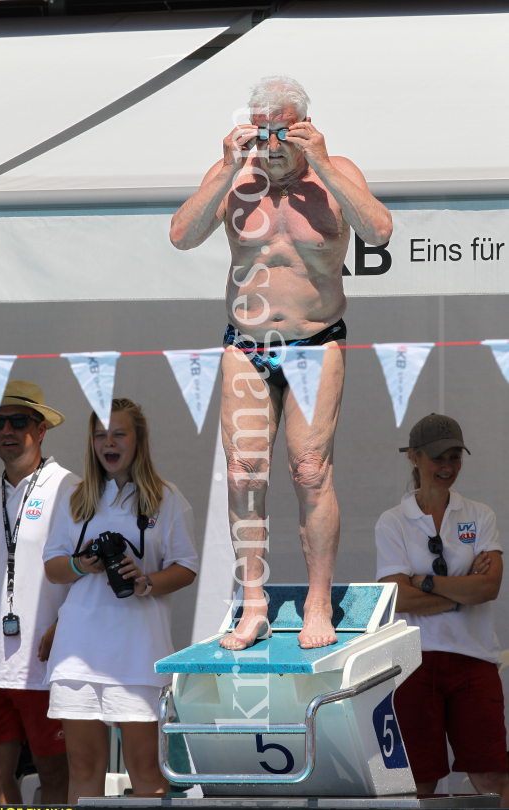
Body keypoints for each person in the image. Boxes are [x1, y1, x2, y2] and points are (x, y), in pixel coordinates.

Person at [170, 75, 392, 650]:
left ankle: (319, 601)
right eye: (262, 128)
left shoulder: (333, 170)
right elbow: (181, 236)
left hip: (315, 342)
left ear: (304, 126)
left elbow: (380, 229)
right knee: (245, 473)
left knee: (311, 470)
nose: (270, 142)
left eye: (282, 129)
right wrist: (223, 167)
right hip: (244, 346)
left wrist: (322, 161)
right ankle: (253, 603)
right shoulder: (235, 178)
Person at [43, 398, 198, 803]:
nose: (108, 443)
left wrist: (146, 582)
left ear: (138, 440)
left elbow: (186, 567)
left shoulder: (165, 497)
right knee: (84, 768)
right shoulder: (75, 498)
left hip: (138, 649)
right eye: (99, 435)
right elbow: (53, 567)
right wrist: (83, 565)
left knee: (147, 769)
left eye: (118, 434)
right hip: (78, 650)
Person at [376, 413, 509, 805]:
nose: (448, 467)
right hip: (413, 662)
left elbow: (489, 586)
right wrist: (459, 594)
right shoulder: (392, 522)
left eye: (455, 456)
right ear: (414, 458)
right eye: (438, 457)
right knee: (419, 783)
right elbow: (396, 598)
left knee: (492, 777)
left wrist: (424, 582)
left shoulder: (480, 515)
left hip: (475, 662)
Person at [0, 380, 78, 804]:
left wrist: (64, 626)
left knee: (55, 774)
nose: (7, 430)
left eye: (18, 421)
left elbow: (90, 576)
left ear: (41, 429)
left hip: (50, 661)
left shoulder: (71, 490)